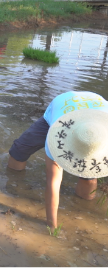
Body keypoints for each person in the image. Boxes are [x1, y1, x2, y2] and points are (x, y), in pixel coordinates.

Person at [7, 91, 108, 228]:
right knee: (19, 150)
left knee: (89, 174)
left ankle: (83, 205)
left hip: (96, 112)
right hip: (62, 106)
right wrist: (52, 226)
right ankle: (14, 181)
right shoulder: (56, 137)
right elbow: (53, 184)